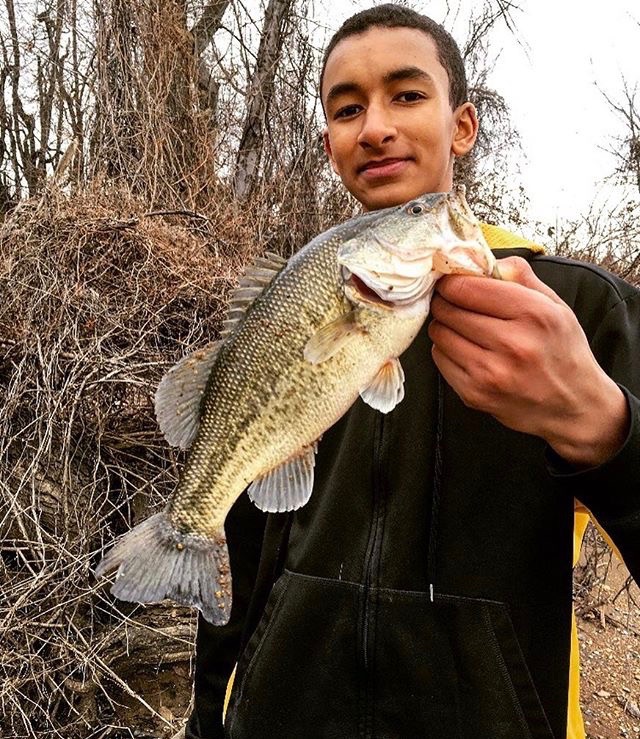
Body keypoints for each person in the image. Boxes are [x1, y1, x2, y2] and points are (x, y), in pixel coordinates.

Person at [185, 5, 640, 738]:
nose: (374, 127)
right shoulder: (291, 303)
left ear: (462, 125)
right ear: (330, 144)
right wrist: (208, 719)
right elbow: (246, 547)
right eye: (347, 108)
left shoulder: (575, 305)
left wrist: (606, 425)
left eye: (407, 94)